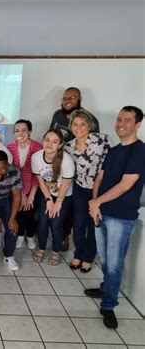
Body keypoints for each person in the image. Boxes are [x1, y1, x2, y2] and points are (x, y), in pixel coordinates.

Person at [85, 106, 145, 329]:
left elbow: (126, 184)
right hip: (101, 212)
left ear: (138, 124)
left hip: (121, 216)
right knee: (105, 259)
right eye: (119, 119)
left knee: (114, 263)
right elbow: (100, 178)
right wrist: (94, 203)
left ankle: (109, 305)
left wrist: (97, 202)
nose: (121, 123)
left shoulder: (139, 151)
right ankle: (105, 288)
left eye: (127, 120)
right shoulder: (114, 149)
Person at [64, 109, 112, 272]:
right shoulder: (69, 147)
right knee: (78, 223)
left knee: (93, 223)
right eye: (75, 124)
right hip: (79, 188)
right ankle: (78, 253)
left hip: (99, 189)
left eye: (82, 124)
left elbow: (113, 163)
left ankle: (88, 257)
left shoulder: (103, 140)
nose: (78, 128)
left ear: (89, 126)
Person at [31, 129, 74, 266]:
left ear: (60, 145)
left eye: (54, 141)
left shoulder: (66, 161)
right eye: (47, 140)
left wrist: (58, 203)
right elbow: (40, 181)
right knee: (43, 221)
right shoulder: (36, 157)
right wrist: (49, 200)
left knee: (56, 223)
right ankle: (42, 248)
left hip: (64, 196)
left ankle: (56, 251)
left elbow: (66, 185)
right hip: (47, 193)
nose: (50, 144)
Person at [7, 119, 43, 249]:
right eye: (17, 131)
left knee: (30, 213)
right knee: (20, 213)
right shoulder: (10, 148)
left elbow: (38, 174)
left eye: (24, 130)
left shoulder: (38, 148)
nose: (20, 133)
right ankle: (21, 235)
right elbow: (11, 173)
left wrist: (31, 195)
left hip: (34, 187)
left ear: (29, 132)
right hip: (17, 189)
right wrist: (21, 194)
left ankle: (30, 236)